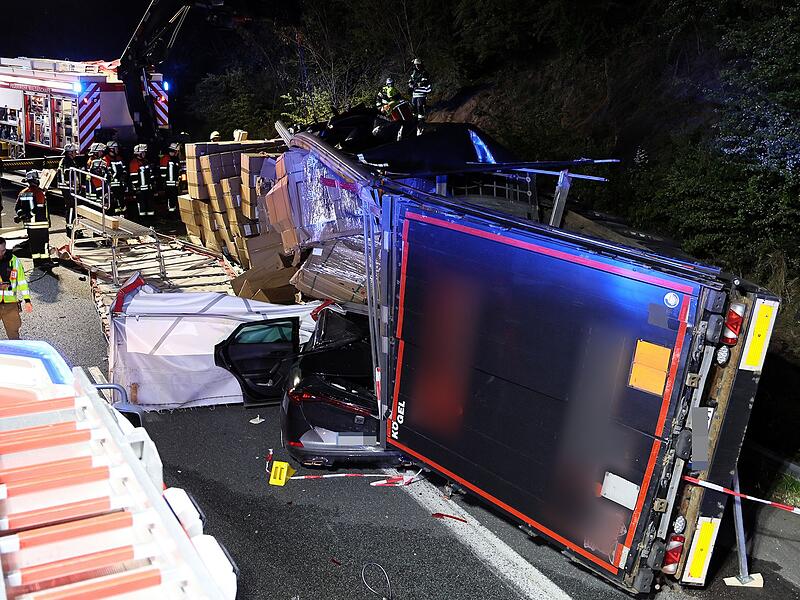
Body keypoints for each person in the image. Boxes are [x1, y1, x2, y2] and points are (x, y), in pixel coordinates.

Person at [14, 171, 50, 266]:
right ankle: (45, 261)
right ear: (35, 180)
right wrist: (29, 215)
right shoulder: (39, 193)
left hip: (30, 226)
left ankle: (37, 263)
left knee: (34, 245)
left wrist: (22, 216)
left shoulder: (22, 193)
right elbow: (39, 208)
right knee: (43, 244)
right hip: (40, 224)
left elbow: (17, 208)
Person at [0, 237, 32, 340]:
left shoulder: (15, 261)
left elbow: (22, 282)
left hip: (11, 304)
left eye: (3, 250)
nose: (1, 254)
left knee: (14, 334)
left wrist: (27, 300)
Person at [57, 143, 78, 236]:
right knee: (71, 207)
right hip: (67, 188)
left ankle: (72, 228)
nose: (76, 153)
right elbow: (67, 175)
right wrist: (74, 185)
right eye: (74, 152)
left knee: (71, 207)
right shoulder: (67, 162)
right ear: (70, 153)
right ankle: (70, 229)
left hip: (66, 187)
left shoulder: (66, 160)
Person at [129, 144, 155, 217]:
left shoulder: (146, 161)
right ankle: (142, 219)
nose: (144, 154)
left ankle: (150, 218)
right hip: (140, 189)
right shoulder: (134, 163)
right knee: (142, 205)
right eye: (143, 153)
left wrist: (152, 184)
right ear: (138, 153)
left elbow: (150, 174)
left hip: (148, 188)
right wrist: (137, 188)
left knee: (150, 204)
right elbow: (134, 177)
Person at [104, 141, 127, 215]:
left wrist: (123, 177)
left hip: (120, 185)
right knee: (114, 203)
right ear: (111, 149)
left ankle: (122, 215)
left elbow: (124, 170)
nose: (117, 150)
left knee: (122, 202)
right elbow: (107, 173)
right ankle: (116, 216)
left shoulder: (119, 158)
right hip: (112, 186)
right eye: (116, 148)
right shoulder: (105, 159)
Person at [159, 142, 181, 212]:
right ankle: (171, 213)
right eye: (177, 151)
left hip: (175, 185)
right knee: (170, 200)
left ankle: (174, 212)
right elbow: (163, 174)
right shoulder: (165, 158)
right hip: (169, 185)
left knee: (174, 199)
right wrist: (164, 183)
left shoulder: (175, 159)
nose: (178, 153)